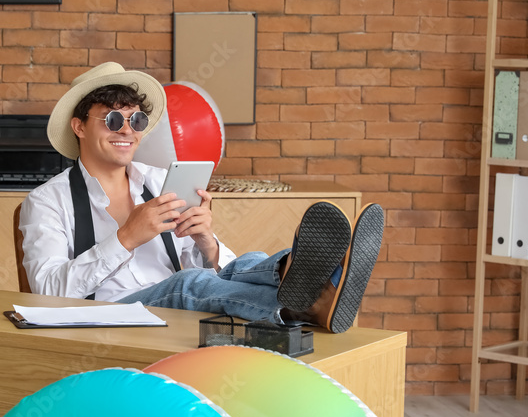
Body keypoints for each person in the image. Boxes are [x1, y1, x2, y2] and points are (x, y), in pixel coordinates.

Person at [19, 62, 383, 333]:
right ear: (79, 126)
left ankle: (311, 282)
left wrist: (205, 241)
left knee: (241, 263)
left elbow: (212, 271)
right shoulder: (48, 201)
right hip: (106, 318)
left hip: (176, 316)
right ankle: (311, 306)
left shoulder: (160, 181)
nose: (127, 131)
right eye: (113, 120)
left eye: (137, 121)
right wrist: (127, 236)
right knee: (187, 284)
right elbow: (48, 291)